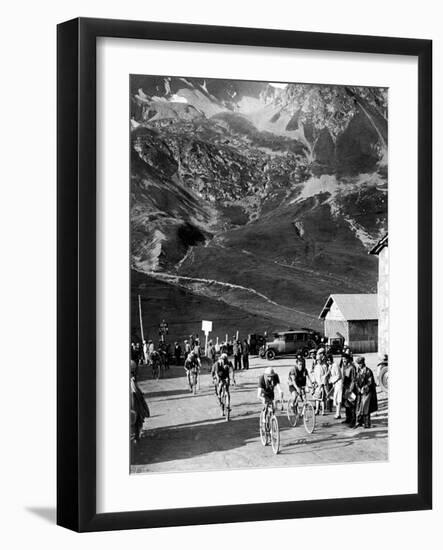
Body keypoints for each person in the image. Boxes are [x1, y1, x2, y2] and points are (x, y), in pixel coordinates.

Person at [354, 356, 378, 428]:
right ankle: (359, 422)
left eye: (360, 363)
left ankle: (367, 423)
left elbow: (370, 382)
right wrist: (358, 388)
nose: (359, 365)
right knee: (359, 407)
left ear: (363, 363)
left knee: (365, 407)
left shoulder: (368, 371)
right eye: (358, 364)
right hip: (359, 392)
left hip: (367, 392)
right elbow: (355, 381)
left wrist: (364, 388)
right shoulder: (357, 370)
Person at [130, 360, 150, 442]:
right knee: (138, 411)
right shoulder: (132, 379)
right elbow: (135, 390)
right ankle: (136, 435)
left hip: (132, 396)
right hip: (133, 397)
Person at [341, 353, 357, 425]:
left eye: (345, 359)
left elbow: (353, 380)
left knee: (352, 405)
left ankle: (353, 420)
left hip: (350, 388)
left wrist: (351, 390)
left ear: (348, 359)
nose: (343, 360)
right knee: (346, 404)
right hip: (345, 388)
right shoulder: (345, 367)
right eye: (343, 359)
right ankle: (348, 418)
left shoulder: (352, 367)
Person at [312, 348, 329, 415]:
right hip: (317, 384)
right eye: (317, 360)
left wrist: (323, 383)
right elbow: (315, 375)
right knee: (317, 398)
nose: (318, 361)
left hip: (322, 384)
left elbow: (326, 375)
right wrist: (314, 382)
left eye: (319, 360)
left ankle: (323, 411)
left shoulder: (324, 366)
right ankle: (317, 410)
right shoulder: (316, 367)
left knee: (322, 399)